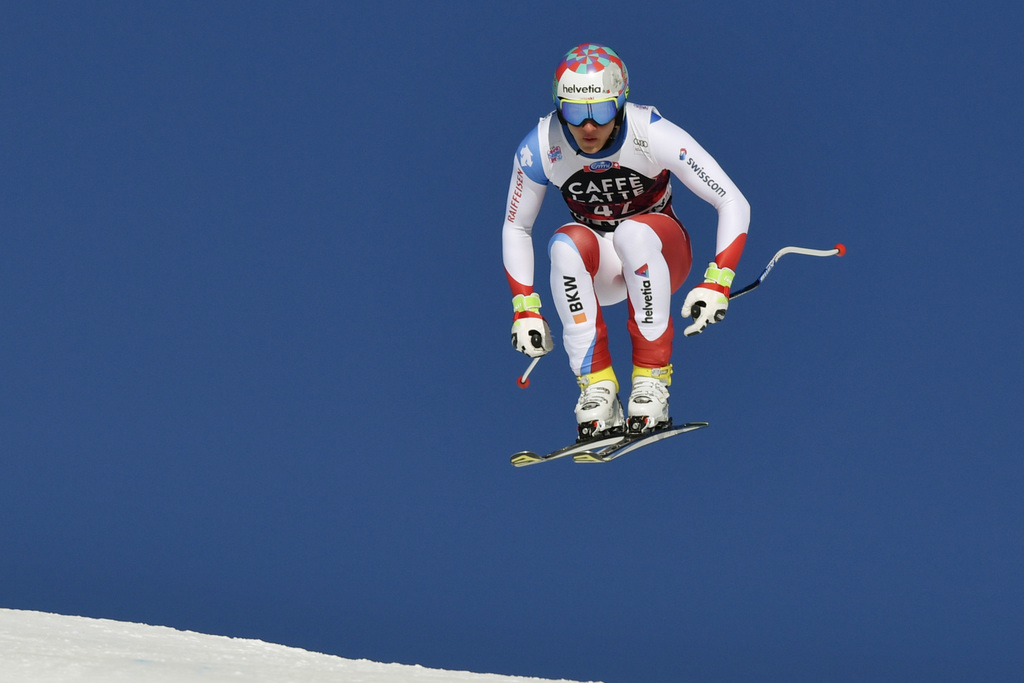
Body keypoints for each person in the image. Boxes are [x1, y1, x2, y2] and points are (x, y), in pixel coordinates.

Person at [503, 43, 750, 439]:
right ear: (557, 107)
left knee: (632, 233)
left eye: (600, 112)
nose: (587, 128)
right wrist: (525, 308)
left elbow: (732, 200)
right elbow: (516, 227)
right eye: (573, 112)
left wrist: (718, 279)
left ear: (619, 104)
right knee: (564, 244)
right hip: (602, 266)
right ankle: (597, 388)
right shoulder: (540, 147)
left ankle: (652, 382)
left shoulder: (649, 132)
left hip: (661, 253)